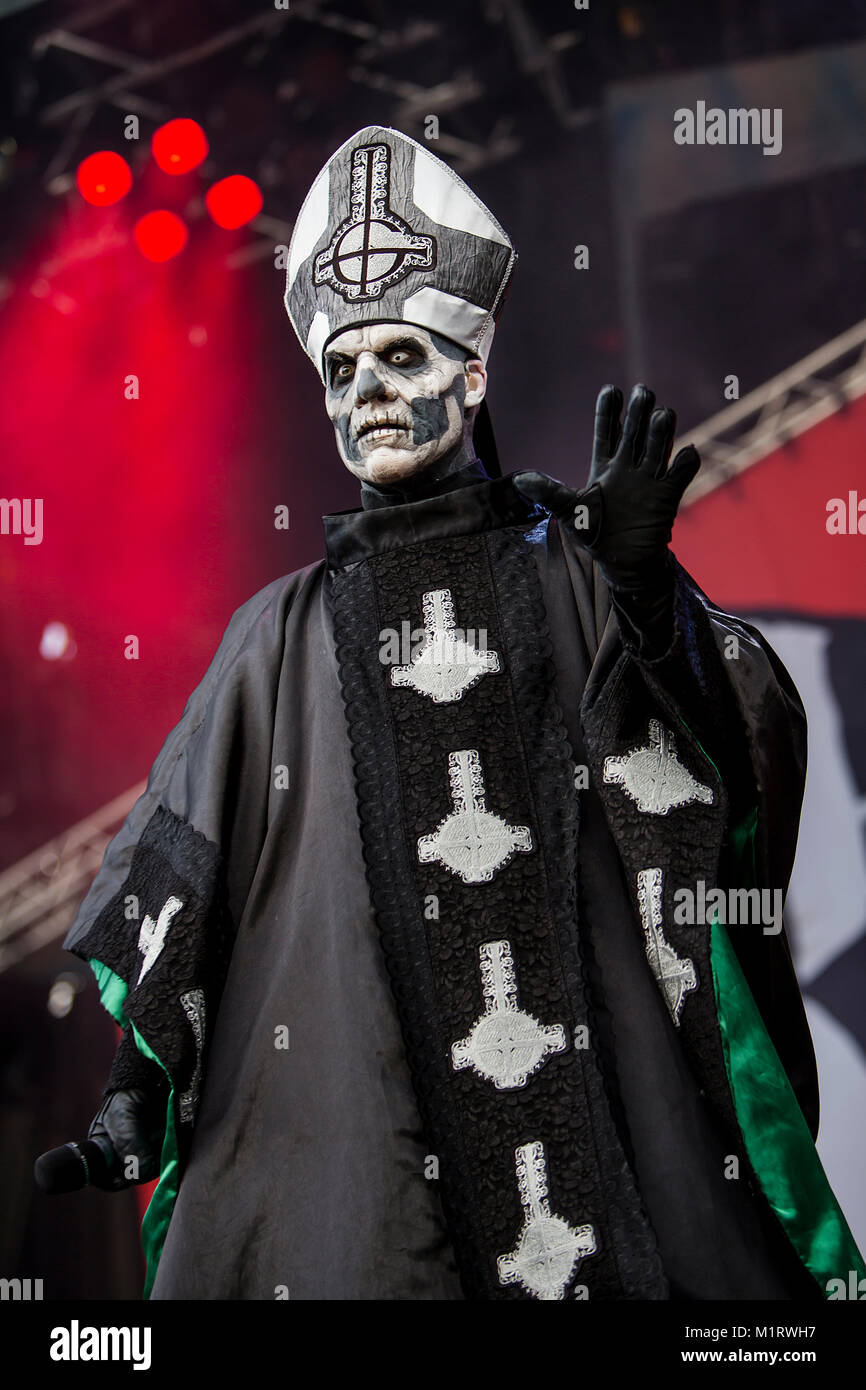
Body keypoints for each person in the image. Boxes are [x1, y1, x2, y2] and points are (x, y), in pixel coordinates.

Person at [55, 125, 863, 1301]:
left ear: (472, 370)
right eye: (341, 370)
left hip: (614, 1163)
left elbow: (735, 761)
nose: (370, 392)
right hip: (374, 1190)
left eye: (399, 354)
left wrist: (645, 601)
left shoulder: (577, 569)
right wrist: (137, 1090)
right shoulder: (272, 640)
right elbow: (189, 886)